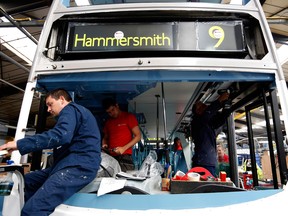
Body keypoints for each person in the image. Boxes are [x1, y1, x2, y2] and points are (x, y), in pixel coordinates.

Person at [0, 88, 101, 215]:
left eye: (50, 104)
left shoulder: (70, 110)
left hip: (77, 166)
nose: (48, 109)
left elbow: (61, 135)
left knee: (33, 210)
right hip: (66, 165)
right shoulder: (77, 114)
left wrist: (19, 144)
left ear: (62, 100)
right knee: (24, 182)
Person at [190, 92, 230, 177]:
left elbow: (221, 120)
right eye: (201, 105)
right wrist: (219, 100)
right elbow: (207, 114)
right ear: (197, 111)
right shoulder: (197, 122)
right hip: (203, 162)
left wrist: (226, 107)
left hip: (207, 161)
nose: (205, 106)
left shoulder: (208, 124)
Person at [102, 98, 141, 171]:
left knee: (126, 181)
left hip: (125, 157)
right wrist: (104, 144)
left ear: (117, 106)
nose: (111, 113)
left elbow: (138, 136)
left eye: (113, 110)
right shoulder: (108, 122)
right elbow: (105, 137)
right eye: (109, 112)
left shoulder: (129, 117)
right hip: (111, 157)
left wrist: (123, 148)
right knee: (109, 181)